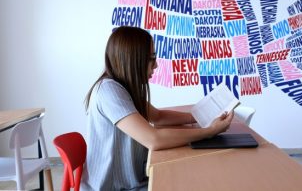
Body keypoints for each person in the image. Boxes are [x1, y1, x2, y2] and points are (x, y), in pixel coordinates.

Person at [80, 26, 234, 191]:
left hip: (131, 183)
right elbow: (154, 139)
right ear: (133, 59)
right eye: (151, 58)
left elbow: (158, 116)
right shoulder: (109, 91)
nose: (156, 65)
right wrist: (209, 131)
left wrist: (198, 115)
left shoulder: (122, 87)